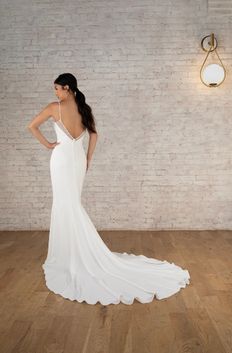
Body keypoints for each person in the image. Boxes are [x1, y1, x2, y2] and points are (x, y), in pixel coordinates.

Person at [28, 73, 190, 305]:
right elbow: (94, 134)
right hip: (77, 162)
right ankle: (74, 253)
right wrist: (88, 158)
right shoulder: (84, 109)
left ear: (67, 88)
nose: (55, 93)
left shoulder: (55, 108)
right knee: (71, 204)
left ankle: (70, 256)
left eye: (57, 89)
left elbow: (31, 126)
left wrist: (48, 145)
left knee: (66, 205)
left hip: (62, 159)